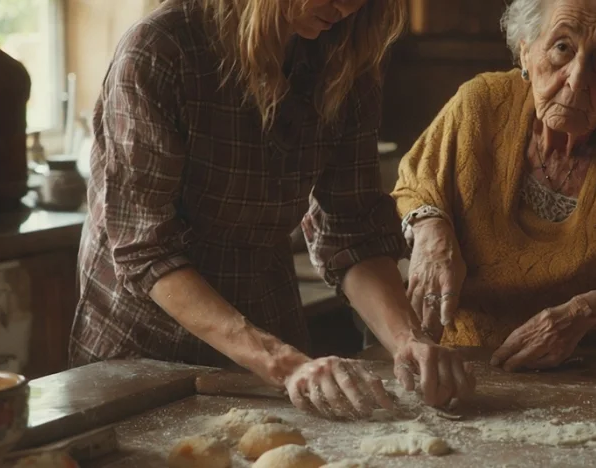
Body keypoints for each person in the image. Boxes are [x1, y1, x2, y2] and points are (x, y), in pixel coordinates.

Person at [69, 0, 476, 419]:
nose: (349, 7)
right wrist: (283, 363)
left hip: (266, 311)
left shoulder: (343, 55)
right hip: (146, 343)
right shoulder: (161, 49)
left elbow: (351, 229)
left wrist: (408, 339)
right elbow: (146, 249)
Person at [393, 0, 596, 372]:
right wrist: (430, 228)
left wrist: (588, 313)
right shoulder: (480, 105)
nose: (577, 78)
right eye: (562, 47)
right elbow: (414, 185)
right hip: (462, 368)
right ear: (525, 51)